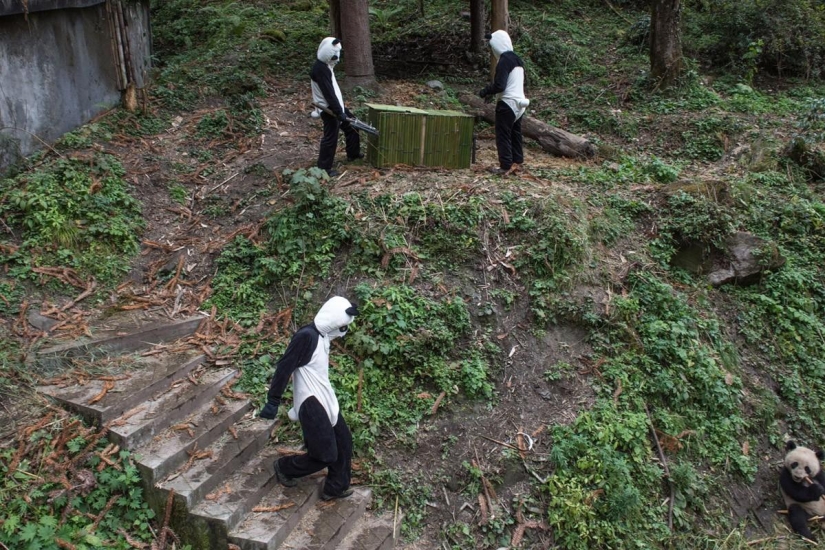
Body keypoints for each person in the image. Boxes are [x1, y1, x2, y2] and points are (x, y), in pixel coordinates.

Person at [259, 296, 359, 501]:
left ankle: (335, 487)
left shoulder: (323, 337)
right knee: (326, 454)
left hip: (325, 396)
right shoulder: (306, 336)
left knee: (344, 442)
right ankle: (286, 467)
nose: (342, 333)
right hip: (310, 401)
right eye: (342, 327)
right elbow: (284, 367)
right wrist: (273, 400)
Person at [478, 30, 530, 175]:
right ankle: (517, 162)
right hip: (520, 103)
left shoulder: (504, 60)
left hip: (508, 103)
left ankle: (505, 166)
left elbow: (500, 85)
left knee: (503, 134)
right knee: (515, 133)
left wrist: (485, 91)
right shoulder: (517, 59)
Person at [310, 37, 363, 178]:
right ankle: (324, 168)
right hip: (328, 109)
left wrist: (341, 110)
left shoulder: (326, 66)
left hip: (336, 106)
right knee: (331, 137)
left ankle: (353, 154)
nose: (336, 58)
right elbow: (328, 94)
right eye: (334, 55)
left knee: (352, 125)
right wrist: (339, 112)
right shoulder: (320, 70)